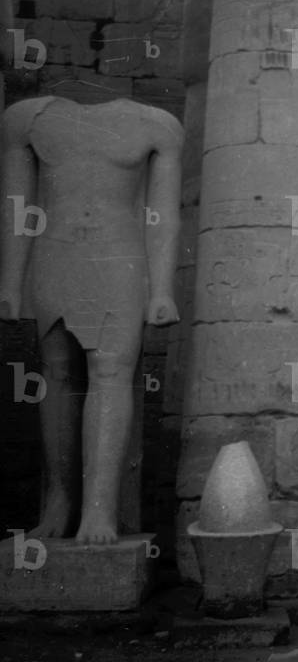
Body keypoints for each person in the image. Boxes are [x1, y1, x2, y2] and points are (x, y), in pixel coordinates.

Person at [0, 96, 183, 544]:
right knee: (57, 371)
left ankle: (99, 510)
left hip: (121, 255)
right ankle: (61, 501)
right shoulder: (24, 120)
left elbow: (161, 216)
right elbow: (16, 209)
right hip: (56, 250)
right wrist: (10, 283)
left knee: (111, 371)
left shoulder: (157, 126)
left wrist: (161, 291)